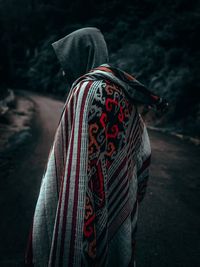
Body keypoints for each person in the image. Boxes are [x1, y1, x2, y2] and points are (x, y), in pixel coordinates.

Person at [25, 27, 168, 267]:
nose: (62, 71)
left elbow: (73, 168)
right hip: (116, 201)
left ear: (81, 55)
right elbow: (141, 152)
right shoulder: (123, 91)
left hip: (84, 206)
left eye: (66, 62)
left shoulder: (84, 90)